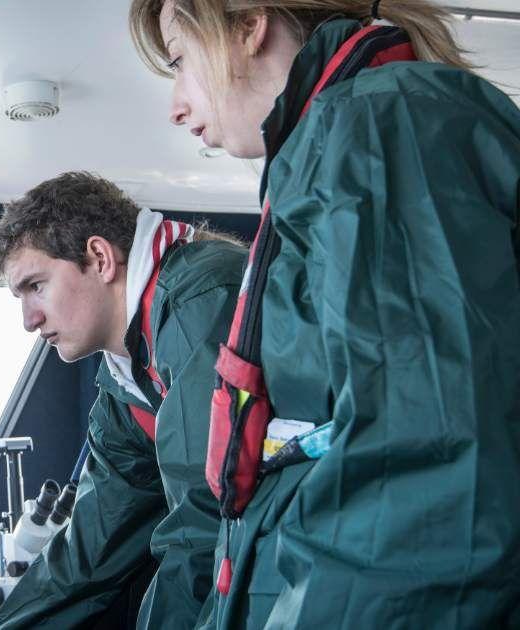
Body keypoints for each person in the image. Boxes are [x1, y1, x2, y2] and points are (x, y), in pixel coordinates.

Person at [129, 1, 520, 627]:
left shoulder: (379, 125)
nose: (175, 104)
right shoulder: (331, 149)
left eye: (179, 63)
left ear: (249, 27)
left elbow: (429, 474)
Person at [0, 172, 247, 629]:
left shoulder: (199, 303)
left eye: (36, 286)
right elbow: (89, 549)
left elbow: (206, 525)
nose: (29, 319)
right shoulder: (126, 381)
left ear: (100, 258)